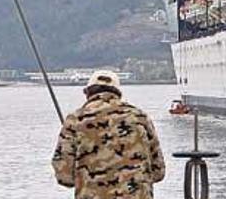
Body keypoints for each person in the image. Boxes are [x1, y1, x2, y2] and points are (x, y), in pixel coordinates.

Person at [52, 70, 166, 198]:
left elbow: (64, 177)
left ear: (88, 93)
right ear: (118, 94)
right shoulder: (140, 117)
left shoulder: (75, 119)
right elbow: (158, 172)